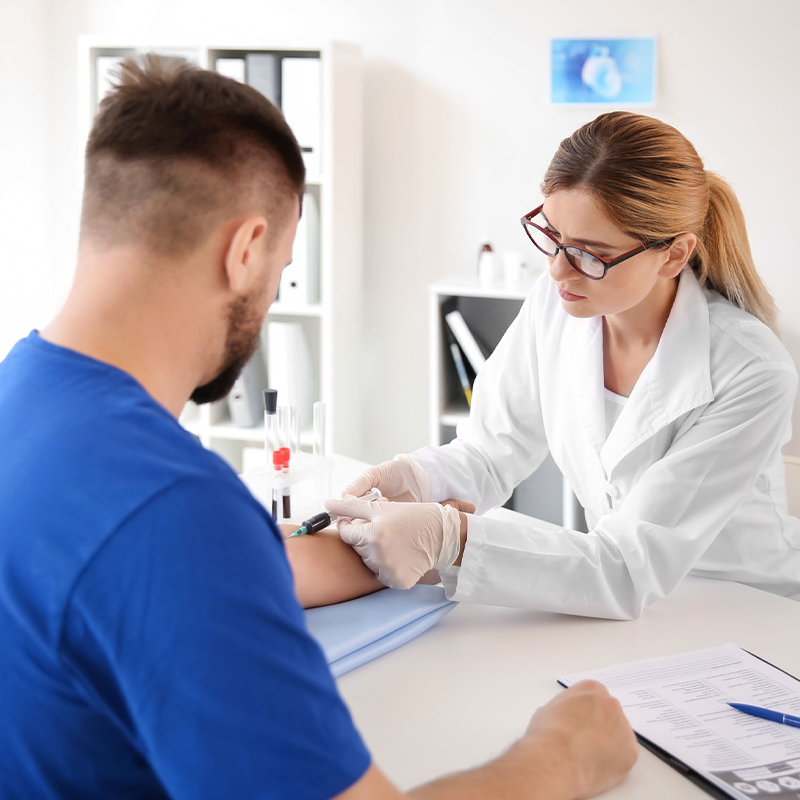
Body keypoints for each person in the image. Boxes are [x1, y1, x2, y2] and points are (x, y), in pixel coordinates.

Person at [0, 55, 638, 800]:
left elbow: (207, 571)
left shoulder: (24, 395)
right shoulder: (171, 510)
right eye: (281, 269)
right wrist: (561, 756)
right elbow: (182, 552)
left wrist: (396, 545)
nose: (272, 300)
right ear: (244, 251)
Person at [327, 111, 800, 620]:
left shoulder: (750, 370)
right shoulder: (559, 301)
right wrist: (417, 479)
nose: (557, 269)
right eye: (551, 236)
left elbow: (626, 563)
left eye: (590, 253)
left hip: (749, 612)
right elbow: (492, 450)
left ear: (674, 255)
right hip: (623, 599)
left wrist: (455, 540)